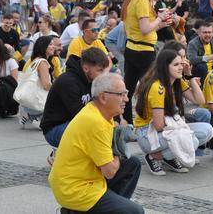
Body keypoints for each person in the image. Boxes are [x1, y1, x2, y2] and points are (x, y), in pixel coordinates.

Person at [49, 73, 143, 214]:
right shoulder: (96, 122)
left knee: (133, 164)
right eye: (121, 94)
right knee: (135, 211)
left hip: (86, 180)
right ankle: (77, 210)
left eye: (126, 93)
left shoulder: (100, 113)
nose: (127, 99)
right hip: (73, 189)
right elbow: (110, 172)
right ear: (104, 97)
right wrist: (118, 150)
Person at [134, 49, 213, 175]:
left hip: (167, 127)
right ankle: (154, 156)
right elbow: (159, 125)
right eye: (176, 64)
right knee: (191, 141)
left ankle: (169, 157)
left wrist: (190, 75)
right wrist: (182, 134)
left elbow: (200, 100)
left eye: (181, 63)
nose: (181, 67)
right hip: (147, 133)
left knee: (207, 130)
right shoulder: (157, 87)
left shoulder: (177, 81)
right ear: (165, 67)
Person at [41, 48, 109, 162]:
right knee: (94, 132)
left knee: (107, 128)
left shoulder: (95, 80)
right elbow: (79, 115)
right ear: (86, 68)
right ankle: (62, 155)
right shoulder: (68, 82)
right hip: (55, 128)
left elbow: (106, 105)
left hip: (73, 123)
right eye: (100, 70)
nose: (103, 75)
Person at [121, 0, 170, 124]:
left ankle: (128, 122)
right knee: (149, 89)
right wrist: (160, 17)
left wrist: (160, 23)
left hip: (132, 48)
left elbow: (140, 29)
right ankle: (147, 121)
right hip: (144, 51)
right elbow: (145, 29)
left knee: (128, 89)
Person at [19, 36, 54, 128]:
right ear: (44, 47)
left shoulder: (35, 60)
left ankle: (32, 115)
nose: (53, 46)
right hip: (37, 102)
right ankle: (35, 117)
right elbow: (46, 85)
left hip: (29, 101)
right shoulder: (42, 62)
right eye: (50, 44)